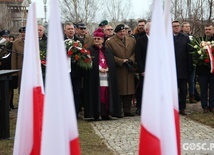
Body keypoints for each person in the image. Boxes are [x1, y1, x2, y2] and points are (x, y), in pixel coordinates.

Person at [84, 28, 121, 120]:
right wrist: (99, 68)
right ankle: (96, 113)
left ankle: (106, 113)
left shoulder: (108, 51)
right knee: (97, 93)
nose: (96, 40)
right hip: (95, 77)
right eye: (95, 38)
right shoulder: (90, 51)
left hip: (106, 76)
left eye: (98, 39)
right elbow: (88, 64)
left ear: (103, 40)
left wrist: (107, 68)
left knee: (106, 93)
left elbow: (111, 63)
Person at [105, 24, 136, 117]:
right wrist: (121, 61)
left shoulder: (132, 40)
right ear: (116, 32)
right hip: (118, 69)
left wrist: (131, 59)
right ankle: (119, 110)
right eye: (120, 32)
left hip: (129, 68)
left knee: (129, 90)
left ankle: (128, 110)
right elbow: (109, 55)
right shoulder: (110, 42)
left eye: (124, 31)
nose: (122, 33)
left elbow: (135, 52)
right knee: (119, 91)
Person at [64, 22, 84, 119]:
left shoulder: (79, 41)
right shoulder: (61, 41)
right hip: (64, 72)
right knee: (66, 93)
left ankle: (75, 112)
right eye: (68, 29)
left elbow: (83, 55)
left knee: (77, 92)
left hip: (76, 71)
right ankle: (65, 113)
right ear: (65, 31)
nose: (71, 30)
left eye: (72, 29)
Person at [172, 20, 192, 115]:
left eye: (178, 26)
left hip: (183, 68)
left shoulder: (185, 38)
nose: (176, 27)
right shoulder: (167, 38)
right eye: (174, 26)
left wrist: (190, 67)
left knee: (183, 90)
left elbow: (189, 54)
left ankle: (182, 107)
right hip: (171, 69)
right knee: (172, 90)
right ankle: (173, 107)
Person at [196, 23, 214, 113]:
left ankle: (212, 105)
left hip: (213, 70)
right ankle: (204, 106)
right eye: (206, 29)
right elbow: (196, 54)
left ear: (213, 30)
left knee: (213, 88)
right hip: (202, 70)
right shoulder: (200, 41)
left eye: (209, 29)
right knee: (203, 89)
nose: (207, 31)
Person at [181, 22, 200, 103]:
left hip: (192, 62)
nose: (187, 28)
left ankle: (192, 97)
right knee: (183, 81)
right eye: (185, 27)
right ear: (182, 28)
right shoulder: (180, 37)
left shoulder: (193, 37)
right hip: (183, 63)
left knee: (192, 81)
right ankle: (182, 96)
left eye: (188, 26)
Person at [135, 22, 151, 115]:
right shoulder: (140, 40)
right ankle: (141, 107)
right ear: (147, 30)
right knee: (143, 89)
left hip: (156, 71)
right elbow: (139, 57)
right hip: (145, 70)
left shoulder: (158, 40)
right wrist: (142, 70)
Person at [0, 30, 18, 109]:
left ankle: (9, 104)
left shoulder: (11, 45)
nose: (6, 38)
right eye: (4, 37)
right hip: (1, 68)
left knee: (10, 87)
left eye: (7, 36)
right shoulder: (1, 45)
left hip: (9, 69)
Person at [11, 27, 25, 93]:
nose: (23, 34)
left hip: (32, 70)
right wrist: (14, 73)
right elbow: (13, 59)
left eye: (25, 32)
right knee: (22, 89)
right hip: (21, 70)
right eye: (22, 32)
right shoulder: (16, 43)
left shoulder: (34, 42)